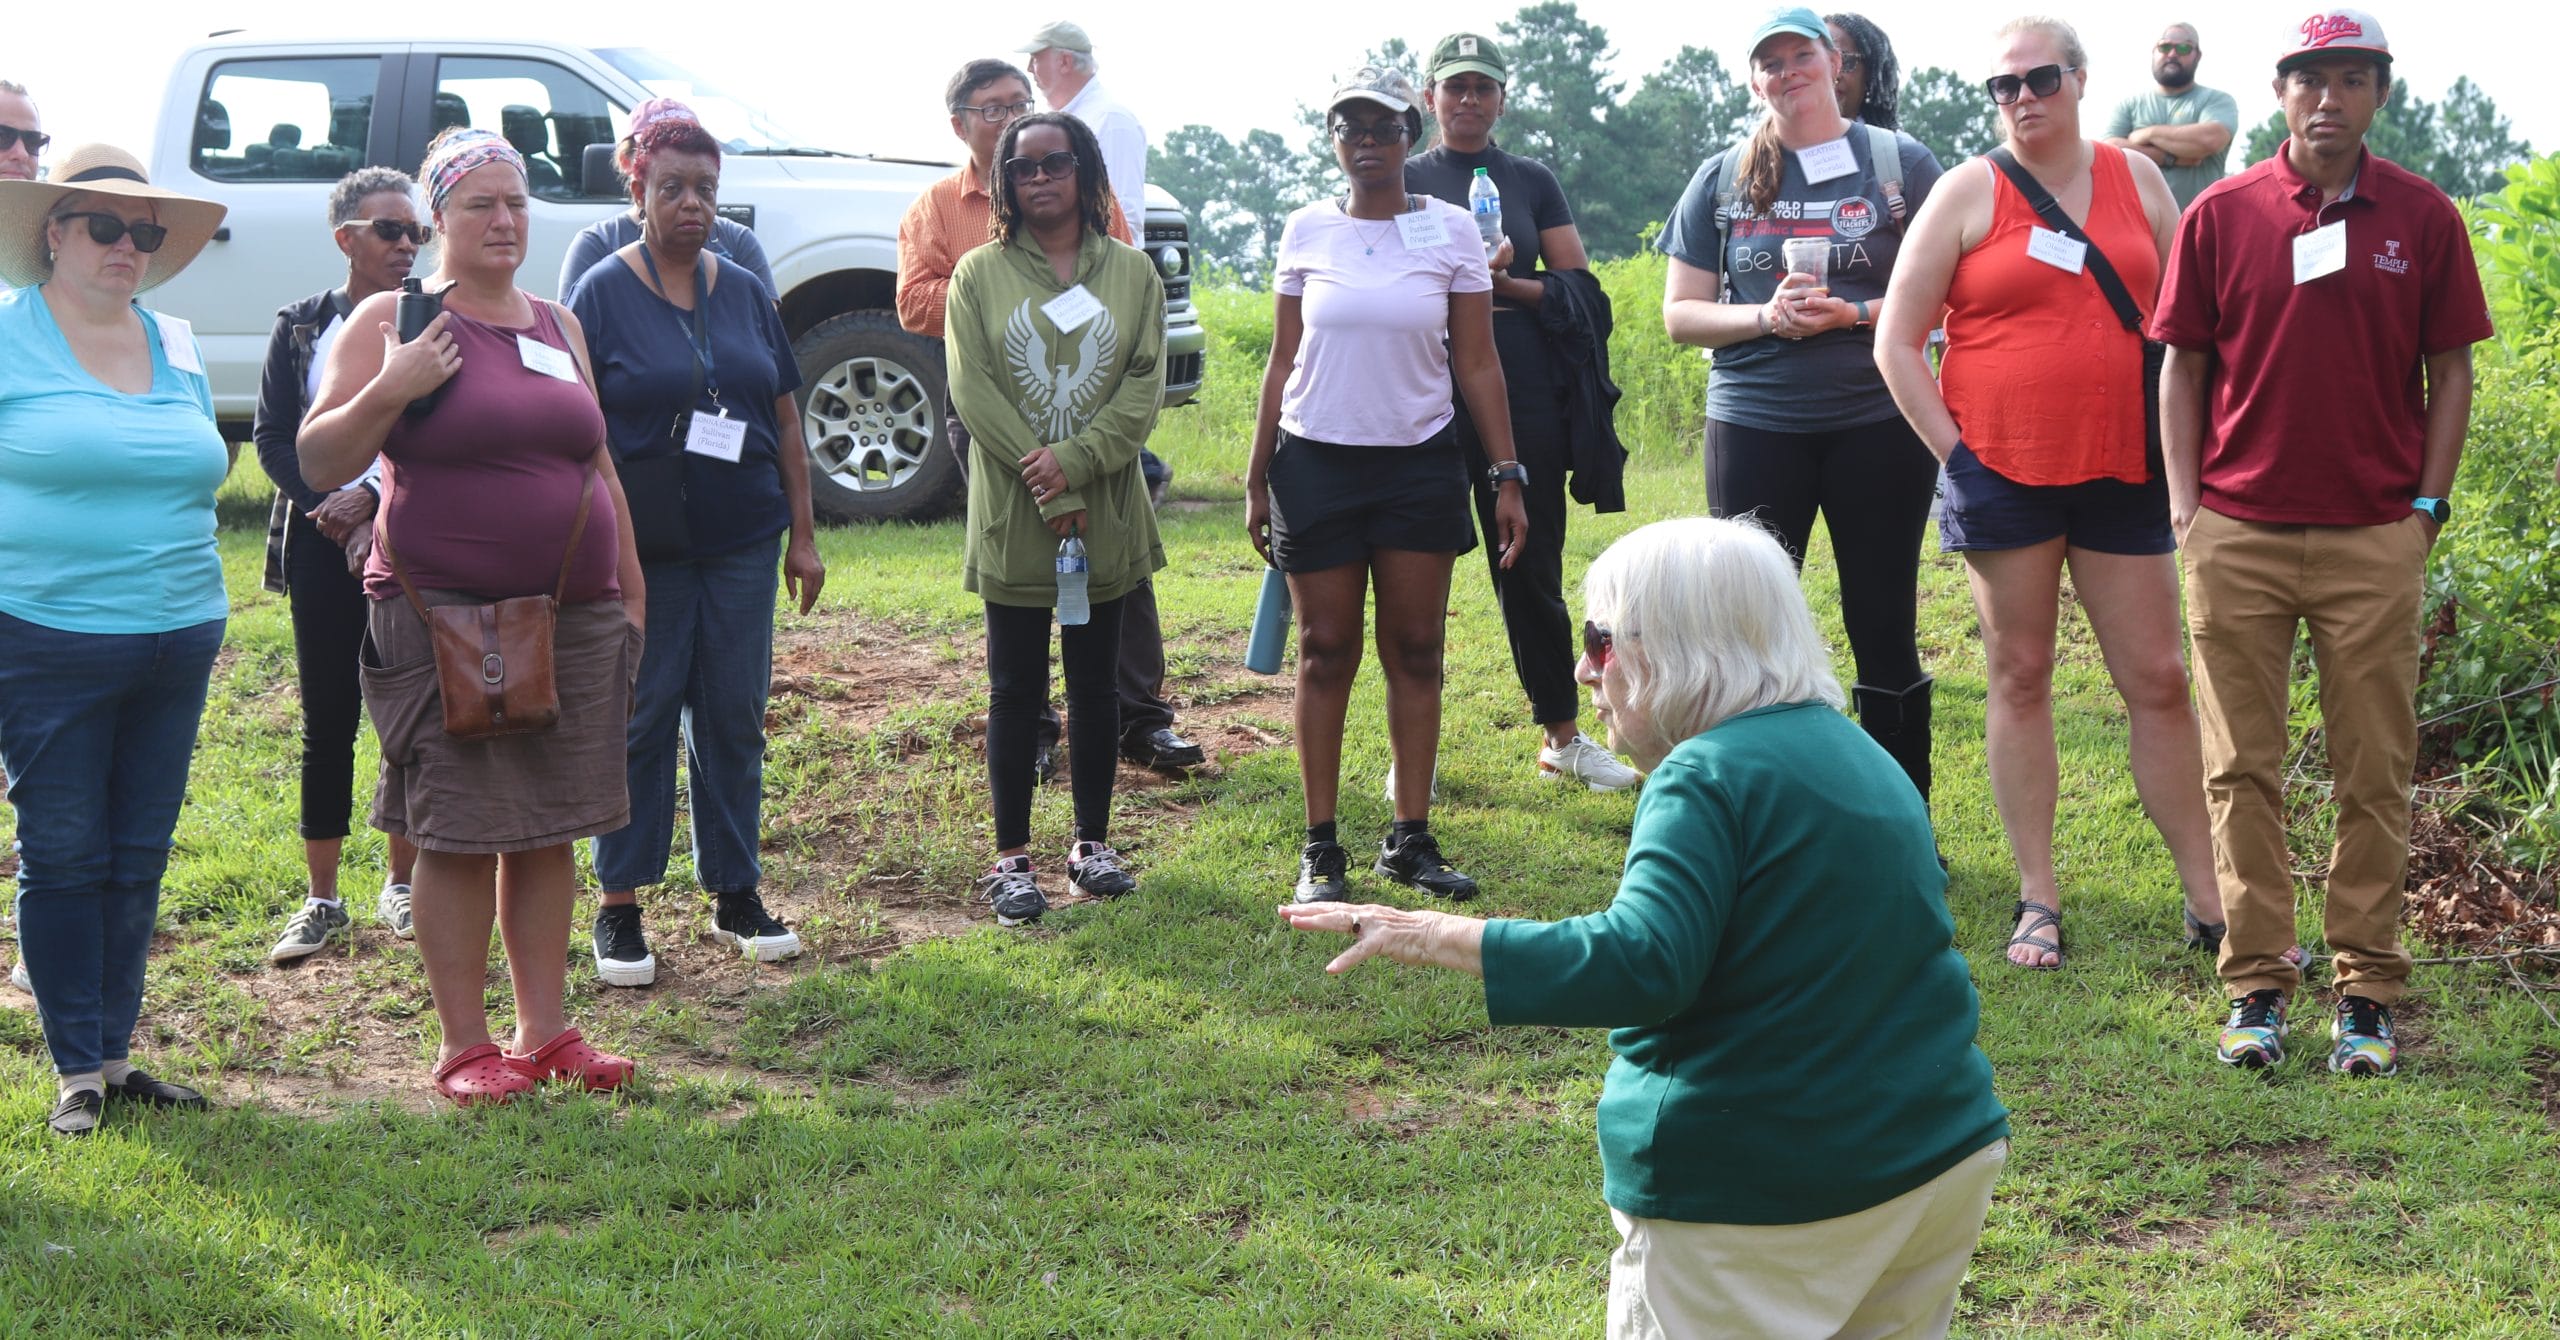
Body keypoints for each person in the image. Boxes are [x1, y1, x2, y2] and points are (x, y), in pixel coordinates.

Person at [1281, 517, 2007, 1337]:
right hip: (1938, 1156)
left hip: (1766, 1193)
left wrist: (1430, 934)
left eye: (1600, 641)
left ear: (1680, 646)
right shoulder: (1859, 751)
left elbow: (1643, 963)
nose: (1584, 670)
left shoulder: (1705, 774)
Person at [2155, 7, 2491, 1075]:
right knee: (2238, 769)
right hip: (2237, 532)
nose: (2328, 99)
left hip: (2374, 537)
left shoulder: (2423, 217)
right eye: (2310, 79)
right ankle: (2256, 983)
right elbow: (2182, 366)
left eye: (2351, 79)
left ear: (2379, 94)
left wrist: (2425, 511)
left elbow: (2451, 370)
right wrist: (2186, 508)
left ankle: (2366, 992)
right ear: (2279, 92)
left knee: (2373, 770)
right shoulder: (2221, 214)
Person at [299, 128, 647, 1107]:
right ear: (439, 217)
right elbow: (320, 458)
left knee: (548, 823)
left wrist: (631, 592)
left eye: (518, 202)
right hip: (441, 619)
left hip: (573, 615)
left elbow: (596, 462)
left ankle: (546, 1032)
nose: (504, 220)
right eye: (480, 204)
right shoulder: (393, 316)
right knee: (455, 828)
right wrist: (395, 383)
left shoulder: (558, 322)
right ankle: (464, 1044)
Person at [1873, 16, 2224, 973]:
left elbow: (2191, 322)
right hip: (2003, 477)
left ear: (2078, 79)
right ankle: (2039, 896)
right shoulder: (1965, 191)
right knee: (2021, 675)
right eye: (2004, 85)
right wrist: (1957, 458)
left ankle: (2209, 898)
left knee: (2158, 680)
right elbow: (1896, 341)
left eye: (2039, 79)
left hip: (2125, 470)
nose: (2021, 98)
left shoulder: (2139, 180)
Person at [1249, 67, 1529, 905]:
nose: (1367, 142)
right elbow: (1282, 360)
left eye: (1384, 128)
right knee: (1324, 649)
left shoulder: (1451, 230)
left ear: (1412, 135)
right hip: (1315, 463)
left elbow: (1478, 362)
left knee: (1414, 649)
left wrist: (1507, 474)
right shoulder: (1306, 230)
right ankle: (1320, 847)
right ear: (1334, 140)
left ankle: (1410, 839)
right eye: (1351, 128)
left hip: (1417, 461)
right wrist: (1258, 477)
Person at [1659, 7, 1946, 822]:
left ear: (1833, 63)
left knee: (1882, 625)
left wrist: (1853, 315)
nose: (1788, 73)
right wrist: (1766, 317)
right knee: (1745, 632)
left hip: (1877, 422)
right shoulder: (1722, 176)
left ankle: (1902, 826)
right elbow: (1680, 315)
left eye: (1801, 56)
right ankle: (1756, 824)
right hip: (1754, 424)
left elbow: (1952, 298)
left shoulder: (1898, 163)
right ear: (1755, 82)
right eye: (1771, 63)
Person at [0, 144, 231, 1137]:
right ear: (54, 233)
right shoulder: (9, 337)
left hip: (180, 633)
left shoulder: (175, 341)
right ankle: (75, 1069)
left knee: (138, 851)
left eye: (144, 231)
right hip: (45, 635)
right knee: (63, 851)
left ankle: (114, 1054)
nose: (127, 245)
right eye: (104, 226)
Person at [568, 105, 824, 987]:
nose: (692, 204)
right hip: (645, 548)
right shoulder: (601, 291)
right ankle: (620, 905)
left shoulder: (744, 289)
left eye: (706, 189)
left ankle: (736, 893)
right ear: (638, 190)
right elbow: (579, 429)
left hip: (743, 537)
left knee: (733, 716)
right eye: (672, 187)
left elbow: (784, 419)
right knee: (639, 716)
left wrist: (803, 537)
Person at [896, 59, 1202, 782]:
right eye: (993, 109)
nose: (1011, 118)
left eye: (1019, 102)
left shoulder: (1081, 190)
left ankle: (1140, 718)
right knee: (1018, 563)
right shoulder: (937, 207)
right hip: (994, 404)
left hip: (1095, 403)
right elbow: (912, 301)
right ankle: (1030, 726)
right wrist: (998, 301)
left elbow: (1119, 271)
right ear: (960, 125)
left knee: (1118, 558)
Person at [946, 111, 1166, 927]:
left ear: (1086, 171)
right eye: (1022, 166)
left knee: (1096, 684)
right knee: (1014, 687)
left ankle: (1091, 847)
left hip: (1103, 510)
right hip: (1016, 512)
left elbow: (1143, 385)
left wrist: (1078, 461)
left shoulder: (1132, 274)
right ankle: (1010, 860)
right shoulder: (978, 274)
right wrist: (1045, 474)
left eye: (1055, 162)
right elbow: (972, 389)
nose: (1039, 177)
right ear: (1004, 180)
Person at [1406, 32, 1635, 792]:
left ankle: (1561, 737)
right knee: (1416, 570)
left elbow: (1582, 290)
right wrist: (1461, 275)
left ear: (1502, 100)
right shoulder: (1404, 179)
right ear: (1431, 97)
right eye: (1455, 86)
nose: (1469, 99)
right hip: (1426, 387)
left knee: (1529, 564)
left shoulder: (1530, 179)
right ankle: (1414, 751)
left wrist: (1501, 284)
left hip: (1525, 389)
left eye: (1483, 87)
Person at [253, 168, 426, 963]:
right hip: (322, 545)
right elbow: (273, 437)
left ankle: (403, 884)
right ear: (345, 239)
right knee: (328, 720)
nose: (407, 244)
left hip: (408, 539)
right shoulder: (300, 326)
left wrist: (373, 503)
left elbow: (434, 433)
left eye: (416, 230)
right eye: (390, 229)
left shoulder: (431, 316)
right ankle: (321, 899)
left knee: (406, 719)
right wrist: (330, 508)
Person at [558, 100, 775, 300]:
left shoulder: (738, 242)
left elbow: (763, 321)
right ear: (625, 160)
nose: (690, 203)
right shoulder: (597, 245)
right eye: (651, 146)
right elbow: (571, 326)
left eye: (685, 144)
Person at [1020, 22, 1146, 258]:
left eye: (1036, 58)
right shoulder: (1064, 120)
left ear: (1064, 62)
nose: (1028, 68)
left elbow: (1124, 215)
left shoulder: (1111, 121)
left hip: (1101, 269)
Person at [2102, 23, 2241, 211]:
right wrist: (2168, 157)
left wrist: (2147, 134)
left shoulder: (2216, 100)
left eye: (2183, 48)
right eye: (2165, 46)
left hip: (2199, 223)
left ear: (2197, 55)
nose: (2173, 54)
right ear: (2154, 51)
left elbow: (2210, 139)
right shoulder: (2129, 104)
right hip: (2138, 222)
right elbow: (2109, 151)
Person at [1827, 12, 1904, 130]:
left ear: (1870, 74)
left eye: (1845, 61)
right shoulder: (1795, 139)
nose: (1832, 74)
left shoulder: (1891, 141)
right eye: (1823, 61)